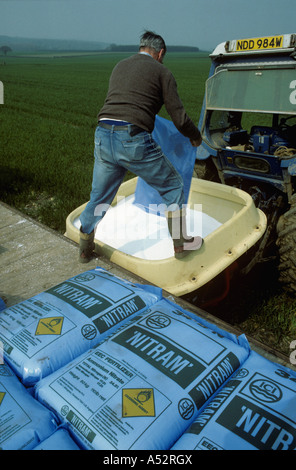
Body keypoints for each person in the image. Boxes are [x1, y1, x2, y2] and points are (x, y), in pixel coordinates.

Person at [79, 30, 203, 263]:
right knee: (174, 186)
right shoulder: (162, 71)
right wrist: (195, 138)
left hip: (103, 135)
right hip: (132, 139)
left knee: (100, 197)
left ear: (141, 47)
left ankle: (85, 248)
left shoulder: (120, 65)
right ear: (160, 53)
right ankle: (181, 243)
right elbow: (180, 118)